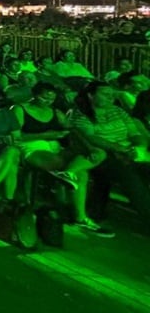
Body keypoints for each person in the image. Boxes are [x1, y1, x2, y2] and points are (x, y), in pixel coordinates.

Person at [14, 83, 113, 237]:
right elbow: (16, 136)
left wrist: (89, 147)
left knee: (98, 154)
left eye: (51, 99)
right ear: (35, 94)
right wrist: (46, 135)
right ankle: (79, 215)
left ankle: (77, 207)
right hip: (32, 147)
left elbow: (72, 129)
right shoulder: (20, 109)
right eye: (44, 97)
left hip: (55, 147)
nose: (47, 101)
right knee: (80, 172)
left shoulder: (55, 111)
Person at [70, 81, 150, 229]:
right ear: (90, 95)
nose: (110, 98)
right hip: (100, 154)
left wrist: (137, 147)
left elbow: (134, 133)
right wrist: (120, 149)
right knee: (129, 175)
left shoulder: (118, 111)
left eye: (112, 95)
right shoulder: (81, 114)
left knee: (144, 170)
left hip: (127, 151)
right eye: (105, 94)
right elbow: (91, 138)